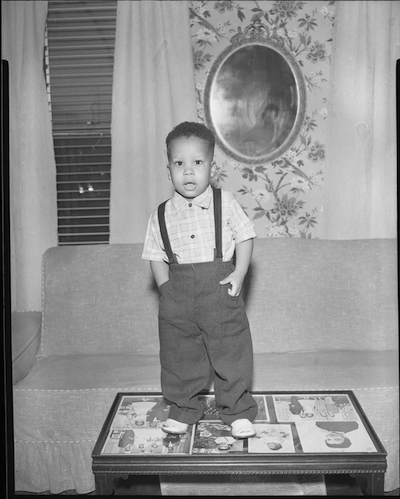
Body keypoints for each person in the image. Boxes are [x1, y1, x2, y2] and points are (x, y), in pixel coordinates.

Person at [142, 121, 258, 439]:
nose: (189, 172)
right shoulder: (161, 214)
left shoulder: (226, 203)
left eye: (197, 163)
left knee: (231, 351)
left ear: (211, 167)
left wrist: (240, 272)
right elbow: (155, 254)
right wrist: (165, 288)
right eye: (179, 164)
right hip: (177, 294)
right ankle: (183, 410)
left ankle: (237, 412)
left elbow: (246, 236)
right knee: (179, 355)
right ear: (169, 171)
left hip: (219, 289)